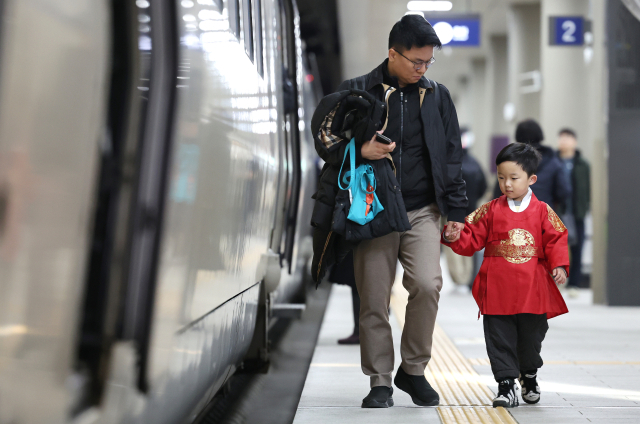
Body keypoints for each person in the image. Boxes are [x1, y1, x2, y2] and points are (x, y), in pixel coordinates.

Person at [329, 15, 467, 408]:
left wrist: (455, 210)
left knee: (427, 284)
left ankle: (413, 370)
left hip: (423, 208)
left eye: (428, 63)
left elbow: (451, 156)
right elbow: (326, 142)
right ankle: (379, 381)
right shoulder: (357, 91)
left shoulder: (437, 95)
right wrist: (359, 151)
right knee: (374, 297)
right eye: (416, 62)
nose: (422, 70)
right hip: (373, 208)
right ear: (393, 53)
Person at [444, 143, 569, 408]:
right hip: (497, 291)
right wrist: (454, 236)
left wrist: (558, 265)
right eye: (501, 178)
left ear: (531, 179)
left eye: (514, 178)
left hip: (532, 292)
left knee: (531, 340)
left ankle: (530, 373)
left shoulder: (543, 211)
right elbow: (471, 238)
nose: (507, 184)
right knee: (499, 339)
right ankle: (506, 385)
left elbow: (557, 238)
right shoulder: (489, 210)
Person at [492, 119, 571, 211]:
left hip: (514, 215)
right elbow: (564, 191)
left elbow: (498, 192)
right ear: (540, 135)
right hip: (543, 214)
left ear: (518, 137)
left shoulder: (509, 161)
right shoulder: (553, 161)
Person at [445, 128, 487, 287]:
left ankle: (459, 278)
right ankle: (469, 277)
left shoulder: (449, 163)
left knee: (452, 243)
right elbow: (483, 187)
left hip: (451, 212)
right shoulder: (476, 163)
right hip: (472, 212)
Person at [557, 128, 590, 295]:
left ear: (574, 141)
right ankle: (557, 280)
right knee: (556, 248)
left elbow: (588, 188)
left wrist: (586, 207)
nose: (564, 141)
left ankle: (574, 284)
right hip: (557, 212)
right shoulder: (554, 162)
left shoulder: (582, 164)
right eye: (561, 138)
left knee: (577, 247)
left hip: (577, 212)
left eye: (567, 138)